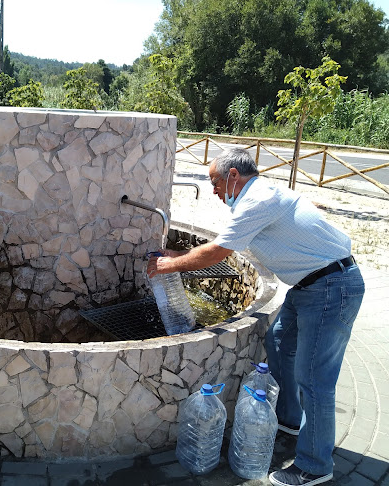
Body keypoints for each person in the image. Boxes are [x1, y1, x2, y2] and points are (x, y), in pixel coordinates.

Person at [147, 148, 365, 486]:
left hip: (330, 288)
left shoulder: (257, 200)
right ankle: (290, 420)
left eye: (215, 183)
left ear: (234, 176)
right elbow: (221, 245)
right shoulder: (260, 196)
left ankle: (315, 465)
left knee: (315, 380)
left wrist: (167, 265)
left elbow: (218, 252)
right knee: (277, 340)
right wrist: (178, 254)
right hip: (310, 286)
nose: (215, 191)